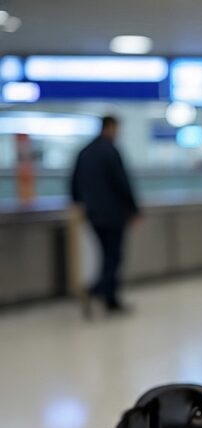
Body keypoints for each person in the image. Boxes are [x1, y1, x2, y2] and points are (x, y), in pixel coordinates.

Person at [71, 115, 139, 315]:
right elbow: (122, 182)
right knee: (114, 256)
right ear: (110, 127)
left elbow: (74, 183)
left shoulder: (84, 152)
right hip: (113, 214)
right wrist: (134, 209)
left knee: (106, 255)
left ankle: (110, 300)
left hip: (93, 214)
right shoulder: (110, 151)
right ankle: (97, 291)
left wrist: (80, 204)